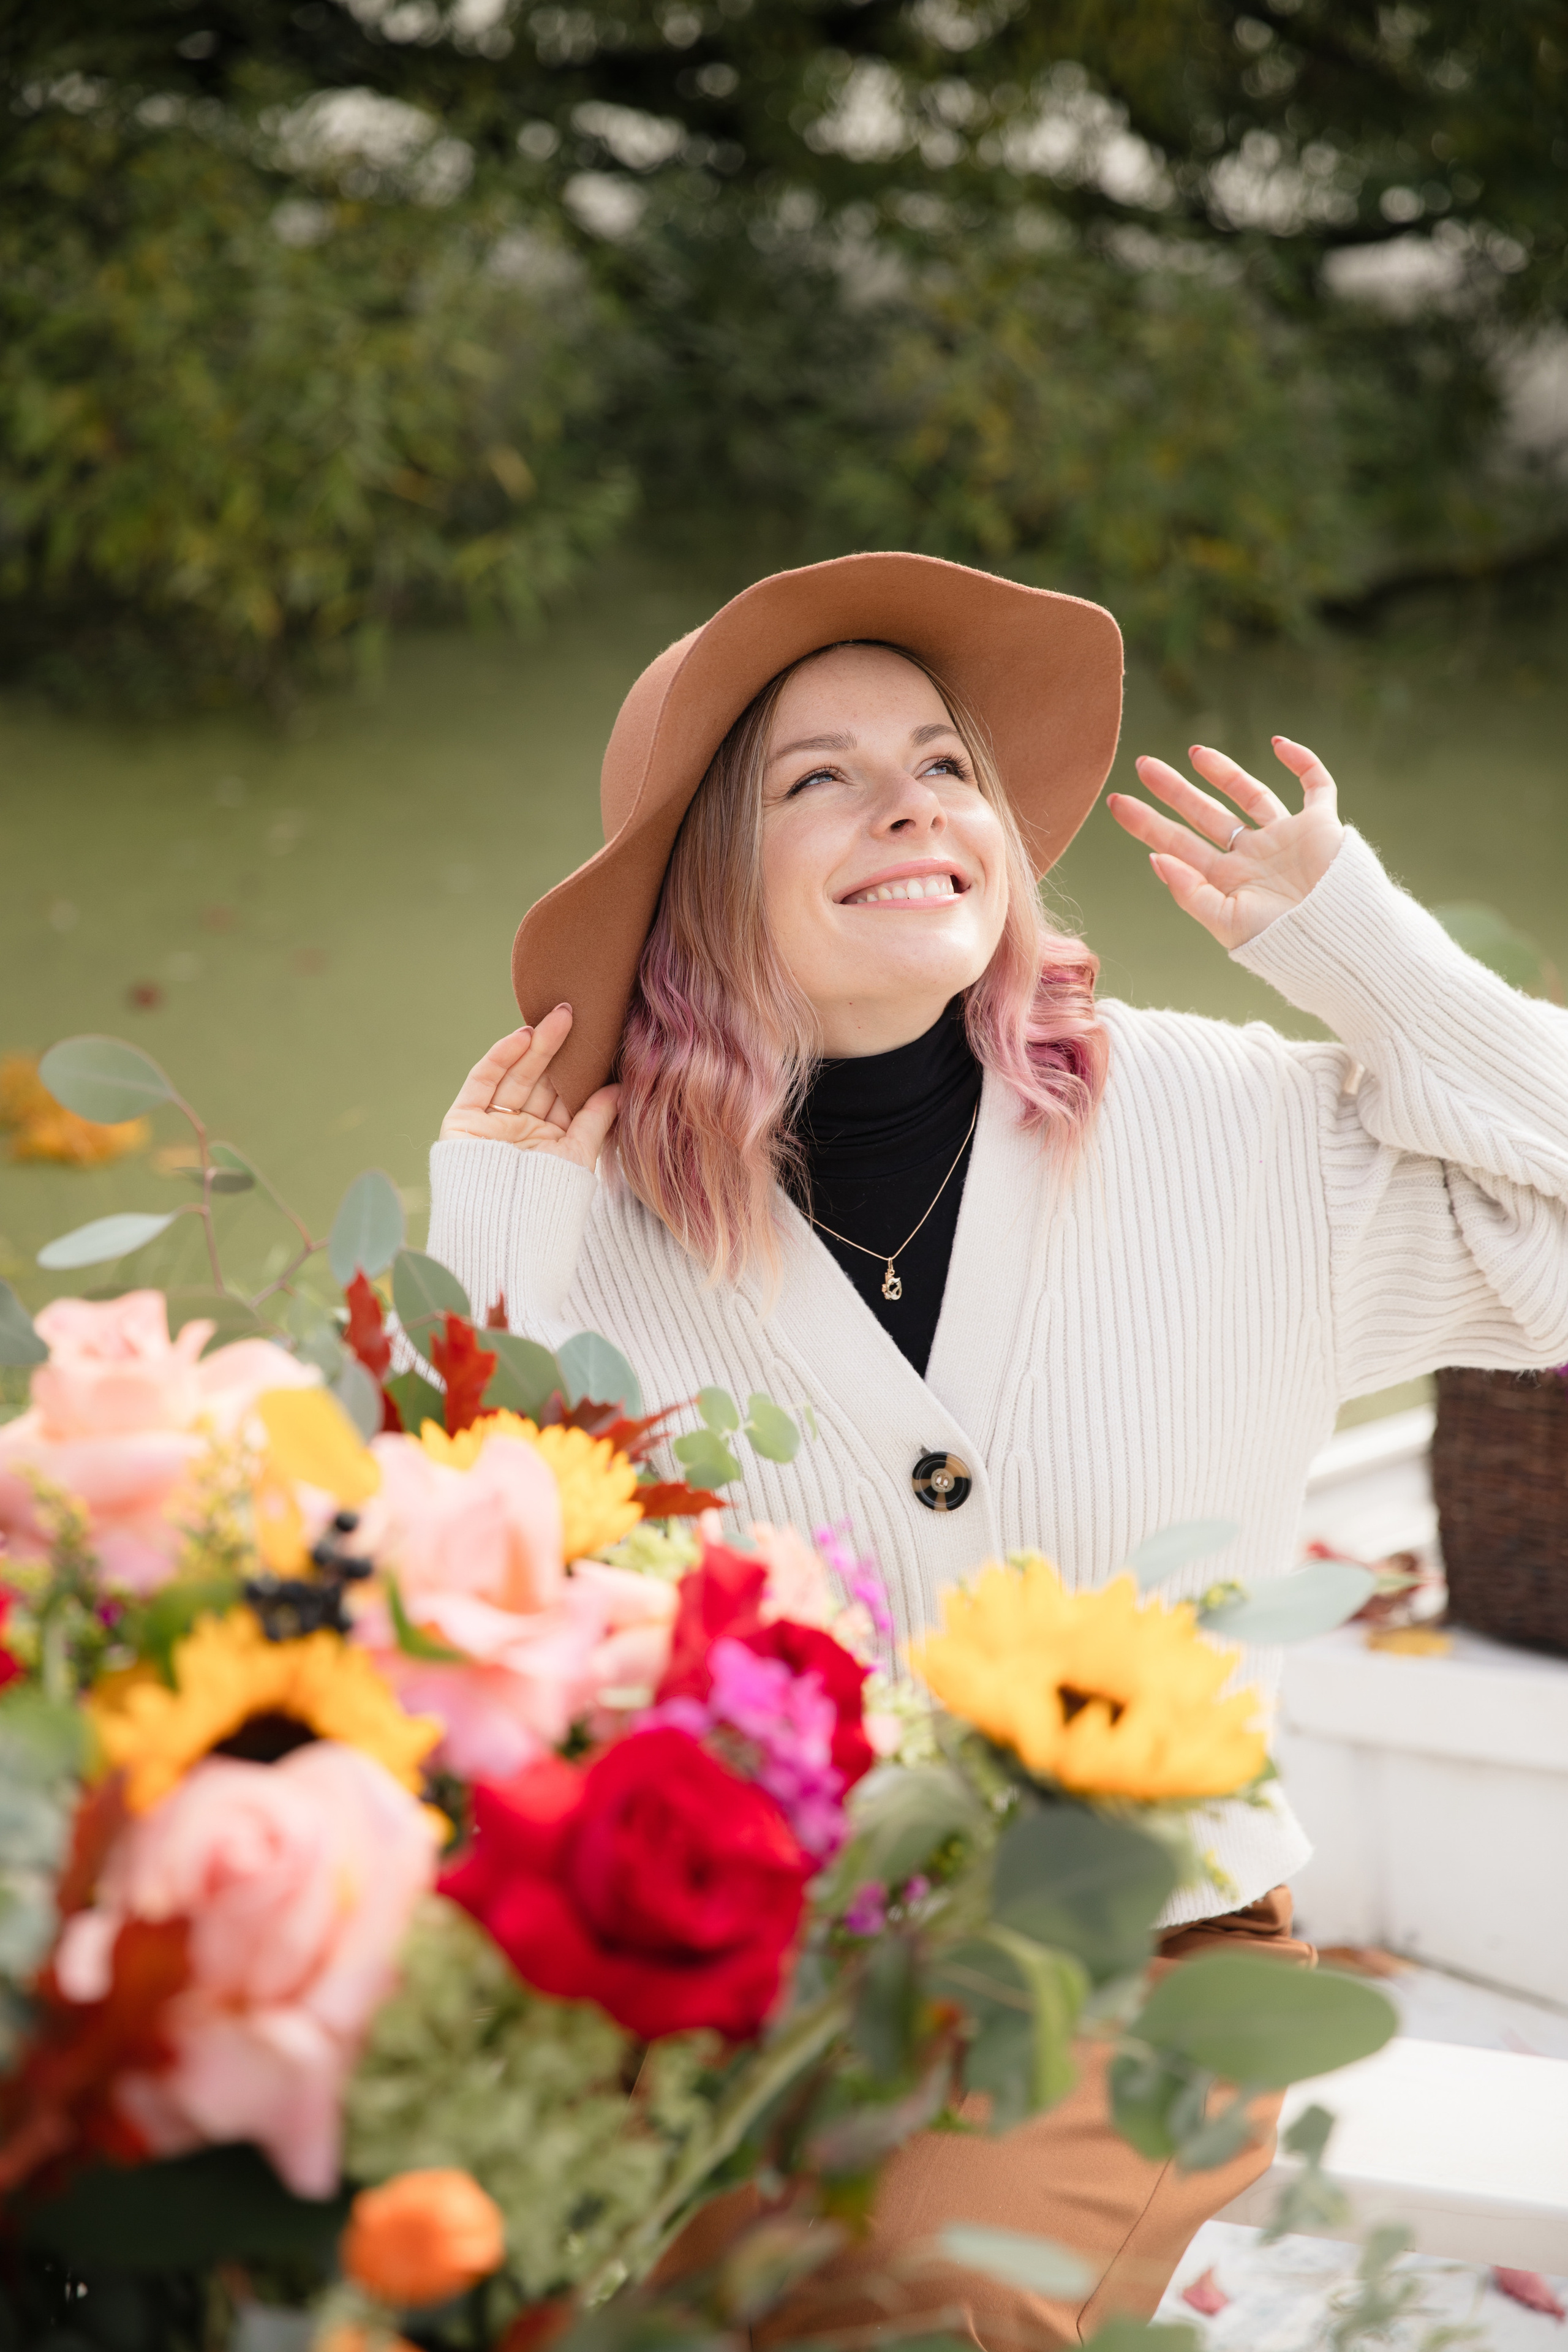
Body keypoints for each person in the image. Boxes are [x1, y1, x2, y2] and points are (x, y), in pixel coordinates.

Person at [429, 552, 1568, 2343]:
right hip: (740, 1969)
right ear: (701, 882)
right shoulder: (590, 1228)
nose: (913, 803)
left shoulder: (1223, 1125)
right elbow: (446, 1625)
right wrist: (491, 1244)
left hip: (1137, 1960)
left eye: (944, 762)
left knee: (903, 2315)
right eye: (821, 776)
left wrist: (1374, 964)